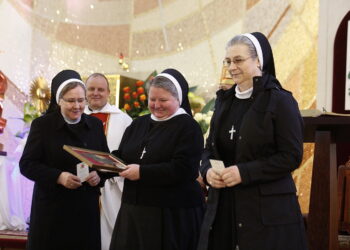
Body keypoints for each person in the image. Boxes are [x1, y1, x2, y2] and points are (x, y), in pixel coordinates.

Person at [197, 32, 308, 250]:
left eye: (238, 60)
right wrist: (207, 171)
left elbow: (291, 156)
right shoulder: (223, 101)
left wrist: (244, 172)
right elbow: (208, 149)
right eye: (228, 61)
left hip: (267, 214)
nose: (231, 67)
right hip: (223, 209)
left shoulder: (280, 101)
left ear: (258, 60)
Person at [109, 68, 205, 250]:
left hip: (170, 215)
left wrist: (142, 172)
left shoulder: (188, 127)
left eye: (163, 100)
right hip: (133, 211)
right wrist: (101, 164)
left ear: (178, 99)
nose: (156, 105)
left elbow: (184, 169)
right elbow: (124, 155)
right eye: (152, 99)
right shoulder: (138, 124)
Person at [20, 69, 109, 250]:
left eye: (81, 100)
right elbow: (27, 165)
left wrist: (99, 176)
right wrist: (59, 177)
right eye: (70, 101)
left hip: (85, 211)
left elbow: (105, 163)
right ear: (59, 100)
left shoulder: (95, 125)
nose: (77, 106)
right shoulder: (43, 125)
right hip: (52, 210)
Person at [84, 73, 132, 250]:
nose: (96, 93)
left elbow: (129, 153)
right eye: (91, 89)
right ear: (85, 91)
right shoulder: (76, 114)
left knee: (111, 235)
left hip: (113, 187)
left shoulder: (124, 120)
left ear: (109, 92)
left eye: (100, 89)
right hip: (81, 185)